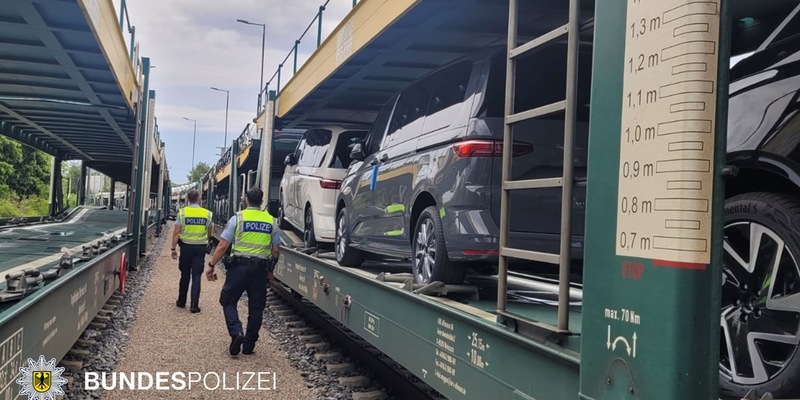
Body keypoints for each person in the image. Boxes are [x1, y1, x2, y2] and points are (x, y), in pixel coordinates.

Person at [206, 188, 281, 356]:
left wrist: (211, 264)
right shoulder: (271, 221)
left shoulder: (238, 218)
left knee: (228, 301)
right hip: (260, 270)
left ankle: (236, 332)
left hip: (239, 268)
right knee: (257, 308)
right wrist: (270, 271)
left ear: (246, 200)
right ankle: (248, 345)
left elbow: (223, 245)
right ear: (261, 201)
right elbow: (276, 250)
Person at [171, 189, 214, 313]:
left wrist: (173, 249)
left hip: (186, 247)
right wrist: (208, 239)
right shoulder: (207, 214)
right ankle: (194, 305)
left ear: (188, 199)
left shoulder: (182, 213)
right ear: (199, 198)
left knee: (184, 274)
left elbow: (176, 232)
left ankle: (181, 301)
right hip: (200, 248)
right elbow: (210, 230)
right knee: (196, 275)